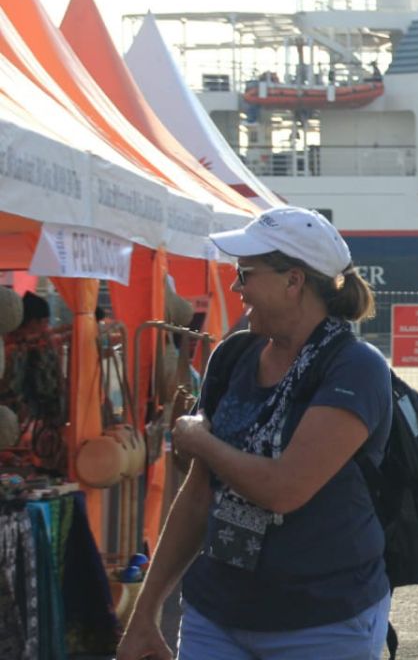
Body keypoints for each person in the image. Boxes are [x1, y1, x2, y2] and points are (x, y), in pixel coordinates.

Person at [116, 206, 392, 660]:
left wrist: (200, 438)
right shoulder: (233, 356)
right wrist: (146, 611)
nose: (235, 287)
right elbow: (198, 494)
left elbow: (285, 488)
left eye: (246, 274)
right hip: (215, 614)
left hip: (323, 622)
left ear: (293, 280)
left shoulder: (355, 368)